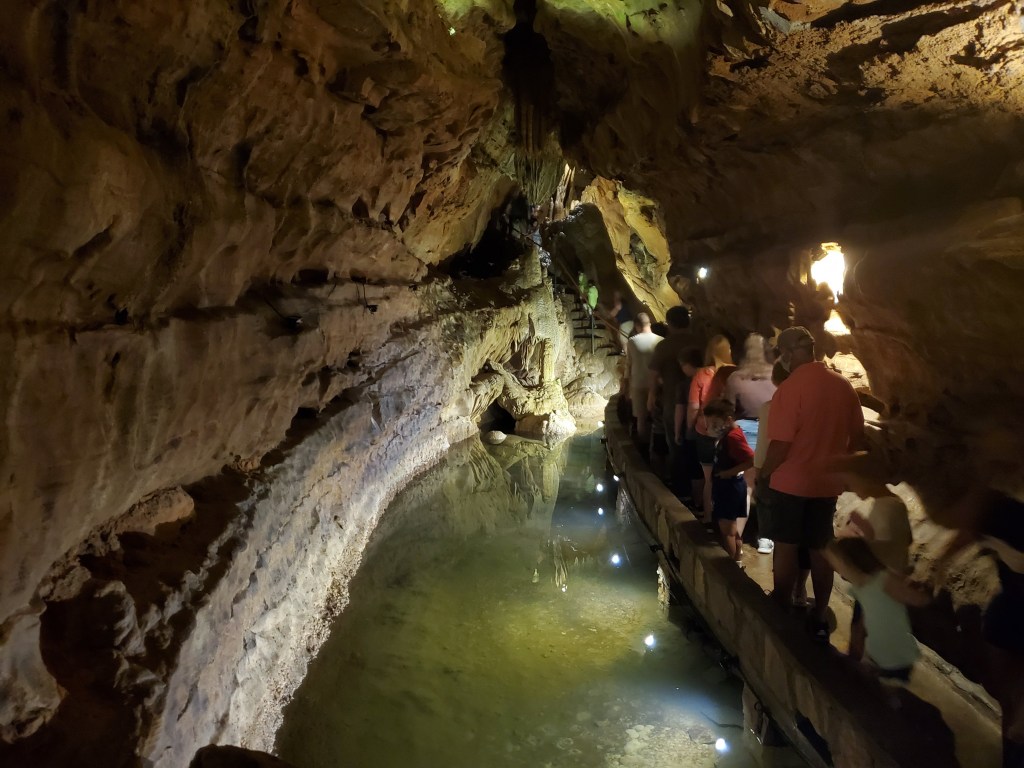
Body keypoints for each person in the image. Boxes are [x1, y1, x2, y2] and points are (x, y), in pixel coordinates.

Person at [760, 326, 865, 643]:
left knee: (787, 547)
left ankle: (781, 605)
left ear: (790, 353)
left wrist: (764, 474)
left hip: (791, 481)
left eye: (782, 354)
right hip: (825, 484)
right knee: (821, 549)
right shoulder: (842, 386)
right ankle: (819, 615)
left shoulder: (791, 389)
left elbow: (780, 444)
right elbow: (857, 438)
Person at [936, 487, 1024, 768]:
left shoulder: (1006, 517)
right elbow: (964, 537)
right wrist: (938, 566)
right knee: (1006, 694)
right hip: (1012, 604)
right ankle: (1010, 751)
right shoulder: (985, 515)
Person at [832, 451, 913, 661]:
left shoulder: (888, 508)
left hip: (883, 583)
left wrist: (848, 538)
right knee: (860, 624)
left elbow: (880, 550)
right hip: (878, 581)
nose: (849, 488)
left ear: (866, 479)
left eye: (851, 483)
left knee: (866, 629)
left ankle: (863, 673)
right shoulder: (887, 503)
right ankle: (855, 659)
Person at [823, 538, 929, 686]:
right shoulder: (886, 579)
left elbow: (860, 630)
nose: (841, 576)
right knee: (888, 683)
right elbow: (918, 599)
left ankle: (856, 680)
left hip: (882, 655)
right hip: (901, 654)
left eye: (842, 573)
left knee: (869, 679)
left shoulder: (867, 586)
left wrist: (824, 545)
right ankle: (889, 697)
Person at [647, 306, 698, 495]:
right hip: (699, 401)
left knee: (675, 445)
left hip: (671, 402)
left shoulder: (665, 345)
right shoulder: (699, 342)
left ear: (669, 323)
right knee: (695, 447)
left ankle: (680, 489)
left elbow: (652, 373)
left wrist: (651, 395)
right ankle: (697, 492)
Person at [688, 335, 735, 524]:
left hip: (706, 430)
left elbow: (693, 405)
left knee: (709, 478)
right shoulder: (733, 373)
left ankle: (708, 516)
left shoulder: (702, 374)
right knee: (729, 476)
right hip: (727, 431)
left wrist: (689, 427)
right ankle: (728, 518)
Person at [704, 399, 754, 567]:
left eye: (715, 422)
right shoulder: (729, 434)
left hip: (730, 488)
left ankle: (732, 568)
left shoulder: (733, 437)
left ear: (728, 419)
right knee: (733, 531)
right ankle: (737, 561)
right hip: (729, 486)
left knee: (728, 532)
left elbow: (751, 460)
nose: (711, 426)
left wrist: (728, 473)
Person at [676, 348, 708, 509]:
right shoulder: (712, 376)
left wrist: (680, 431)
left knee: (695, 469)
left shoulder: (687, 383)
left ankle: (698, 503)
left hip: (694, 431)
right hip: (711, 431)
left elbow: (682, 409)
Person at [624, 313, 662, 445]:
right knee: (657, 418)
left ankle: (643, 447)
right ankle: (656, 446)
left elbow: (628, 365)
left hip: (638, 383)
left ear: (636, 326)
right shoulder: (661, 341)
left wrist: (626, 387)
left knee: (641, 418)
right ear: (649, 324)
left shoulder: (632, 341)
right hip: (657, 384)